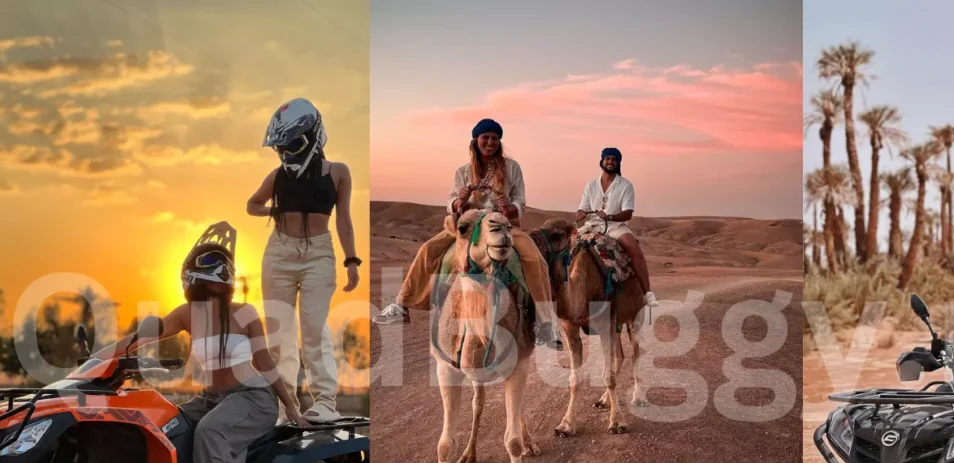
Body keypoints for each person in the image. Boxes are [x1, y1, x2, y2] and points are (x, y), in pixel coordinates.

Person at [89, 224, 309, 463]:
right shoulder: (187, 314)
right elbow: (139, 338)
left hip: (252, 398)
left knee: (211, 431)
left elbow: (265, 363)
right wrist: (98, 360)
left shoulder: (244, 312)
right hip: (212, 398)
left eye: (203, 267)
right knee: (164, 425)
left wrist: (290, 405)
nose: (194, 275)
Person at [372, 118, 562, 350]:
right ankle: (402, 305)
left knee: (534, 257)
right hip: (470, 223)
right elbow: (451, 200)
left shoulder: (512, 168)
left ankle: (545, 323)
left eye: (494, 138)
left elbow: (520, 200)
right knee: (428, 249)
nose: (490, 142)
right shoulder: (462, 172)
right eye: (486, 137)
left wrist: (509, 206)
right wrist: (458, 201)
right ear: (476, 140)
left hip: (500, 222)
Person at [246, 98, 361, 423]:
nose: (286, 152)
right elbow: (251, 204)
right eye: (281, 146)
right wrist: (274, 210)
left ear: (313, 135)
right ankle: (286, 407)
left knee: (313, 328)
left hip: (319, 255)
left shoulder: (338, 172)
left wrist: (351, 259)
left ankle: (325, 401)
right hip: (279, 254)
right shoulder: (278, 176)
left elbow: (345, 220)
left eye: (292, 144)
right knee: (280, 332)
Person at [575, 147, 659, 308]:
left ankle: (648, 292)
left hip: (615, 226)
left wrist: (610, 216)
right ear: (602, 161)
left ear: (618, 162)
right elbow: (583, 207)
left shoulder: (626, 186)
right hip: (592, 226)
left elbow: (628, 213)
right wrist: (580, 213)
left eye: (613, 159)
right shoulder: (591, 185)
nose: (610, 162)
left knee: (633, 247)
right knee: (567, 245)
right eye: (607, 159)